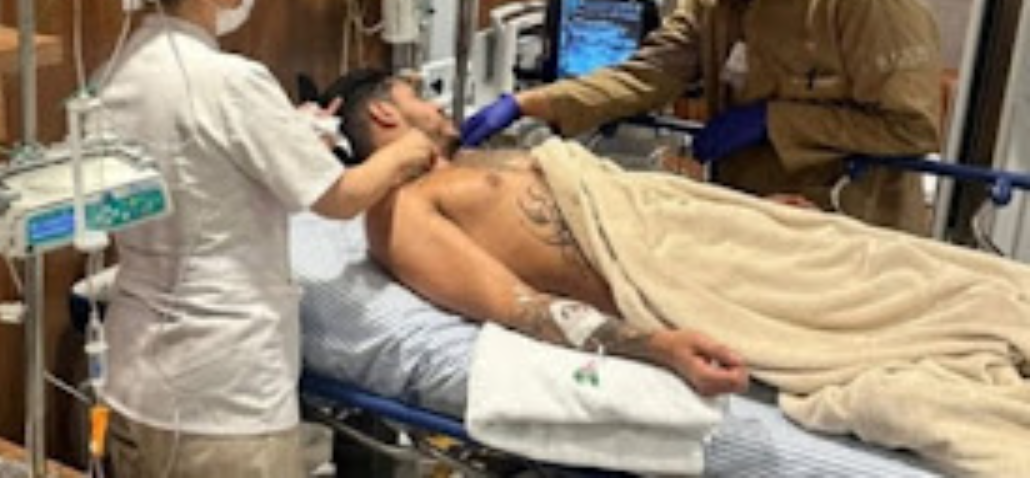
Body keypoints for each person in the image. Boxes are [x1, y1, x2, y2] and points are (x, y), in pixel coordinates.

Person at [324, 68, 1030, 477]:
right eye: (419, 94)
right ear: (384, 110)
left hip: (701, 230)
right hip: (676, 273)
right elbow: (520, 306)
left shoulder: (475, 162)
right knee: (910, 323)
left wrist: (748, 211)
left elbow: (628, 194)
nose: (438, 103)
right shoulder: (399, 208)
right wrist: (655, 346)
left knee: (927, 274)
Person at [86, 0, 437, 478]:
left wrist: (289, 136)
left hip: (133, 380)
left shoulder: (113, 74)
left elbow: (193, 163)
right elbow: (339, 199)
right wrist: (407, 152)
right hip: (225, 394)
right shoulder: (230, 80)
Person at [462, 0, 943, 234]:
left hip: (852, 229)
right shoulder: (712, 1)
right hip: (749, 215)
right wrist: (530, 103)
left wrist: (776, 121)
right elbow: (648, 74)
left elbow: (913, 129)